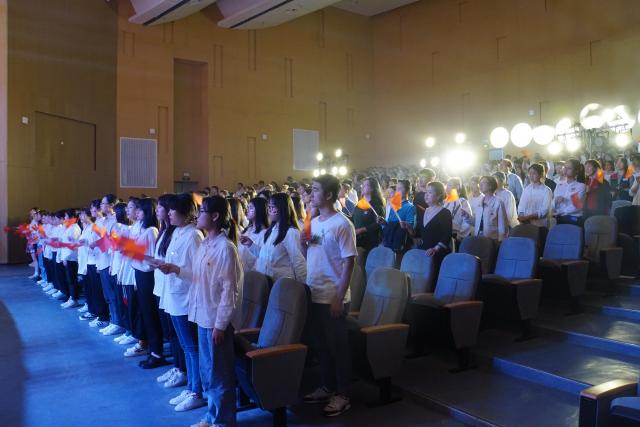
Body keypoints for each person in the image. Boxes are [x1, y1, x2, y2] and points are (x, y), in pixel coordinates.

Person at [172, 196, 242, 427]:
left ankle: (223, 421)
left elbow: (229, 291)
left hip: (214, 321)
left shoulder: (225, 248)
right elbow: (198, 278)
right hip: (202, 316)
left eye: (202, 211)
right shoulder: (205, 245)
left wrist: (220, 325)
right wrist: (175, 269)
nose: (198, 215)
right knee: (208, 371)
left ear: (215, 216)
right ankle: (213, 416)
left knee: (219, 374)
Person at [301, 174, 356, 417]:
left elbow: (349, 263)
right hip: (314, 291)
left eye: (315, 190)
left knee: (338, 347)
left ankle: (343, 394)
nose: (311, 194)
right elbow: (310, 256)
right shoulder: (314, 221)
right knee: (321, 345)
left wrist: (339, 297)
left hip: (333, 295)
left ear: (329, 195)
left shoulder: (342, 224)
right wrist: (303, 244)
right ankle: (327, 386)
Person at [156, 193, 206, 412]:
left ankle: (198, 392)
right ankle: (191, 386)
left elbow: (198, 272)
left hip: (187, 297)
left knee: (192, 348)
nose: (169, 214)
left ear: (185, 213)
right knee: (186, 346)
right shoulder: (177, 232)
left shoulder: (194, 235)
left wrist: (176, 269)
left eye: (173, 210)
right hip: (174, 295)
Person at [131, 197, 165, 369]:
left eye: (140, 210)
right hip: (140, 274)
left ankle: (157, 352)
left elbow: (152, 259)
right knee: (146, 314)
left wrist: (133, 252)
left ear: (147, 212)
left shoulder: (151, 231)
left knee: (151, 315)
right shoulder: (143, 229)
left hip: (148, 276)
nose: (137, 212)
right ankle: (153, 350)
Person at [253, 193, 306, 282]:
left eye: (272, 207)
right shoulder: (271, 230)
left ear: (283, 208)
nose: (269, 210)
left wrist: (302, 286)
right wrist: (251, 245)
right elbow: (264, 256)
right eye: (268, 207)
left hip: (282, 284)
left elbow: (298, 261)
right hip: (265, 282)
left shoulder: (291, 232)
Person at [410, 181, 452, 259]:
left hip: (438, 254)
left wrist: (435, 249)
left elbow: (447, 236)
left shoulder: (445, 213)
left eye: (430, 192)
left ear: (438, 196)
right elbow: (418, 234)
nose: (426, 195)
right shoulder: (423, 212)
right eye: (426, 192)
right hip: (424, 253)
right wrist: (408, 227)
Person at [463, 176, 508, 242]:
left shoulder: (498, 202)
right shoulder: (480, 202)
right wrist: (467, 216)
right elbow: (477, 223)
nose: (480, 184)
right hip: (478, 239)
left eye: (483, 182)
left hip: (493, 240)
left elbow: (502, 226)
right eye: (480, 183)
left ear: (491, 186)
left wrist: (500, 242)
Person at [378, 179, 416, 252]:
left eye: (400, 188)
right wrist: (383, 222)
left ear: (407, 191)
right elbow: (389, 223)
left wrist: (407, 226)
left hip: (400, 244)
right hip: (388, 240)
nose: (397, 191)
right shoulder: (394, 204)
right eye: (396, 189)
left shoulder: (410, 207)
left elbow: (412, 232)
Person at [352, 177, 385, 252]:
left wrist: (361, 230)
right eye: (362, 185)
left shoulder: (377, 205)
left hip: (369, 242)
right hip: (357, 240)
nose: (362, 187)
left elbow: (378, 224)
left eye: (365, 185)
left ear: (372, 189)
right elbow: (354, 218)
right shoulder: (360, 203)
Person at [238, 197, 269, 273]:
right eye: (248, 207)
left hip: (253, 274)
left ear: (259, 210)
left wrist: (251, 245)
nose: (247, 210)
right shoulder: (247, 229)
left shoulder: (265, 233)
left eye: (251, 208)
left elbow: (264, 256)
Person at [517, 163, 553, 228]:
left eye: (534, 173)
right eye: (530, 173)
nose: (531, 176)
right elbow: (521, 206)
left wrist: (528, 217)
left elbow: (544, 211)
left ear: (541, 174)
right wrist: (521, 215)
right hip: (526, 224)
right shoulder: (527, 189)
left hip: (540, 225)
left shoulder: (546, 190)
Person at [553, 158, 586, 226]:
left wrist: (560, 212)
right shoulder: (559, 184)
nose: (565, 170)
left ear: (576, 171)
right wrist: (555, 202)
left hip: (573, 218)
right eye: (564, 167)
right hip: (559, 216)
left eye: (569, 168)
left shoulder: (580, 186)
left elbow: (576, 206)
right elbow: (554, 200)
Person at [444, 178, 472, 244]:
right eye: (447, 185)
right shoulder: (446, 201)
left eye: (449, 185)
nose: (446, 187)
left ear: (457, 187)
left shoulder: (463, 202)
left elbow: (467, 221)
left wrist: (460, 235)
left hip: (456, 235)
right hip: (445, 233)